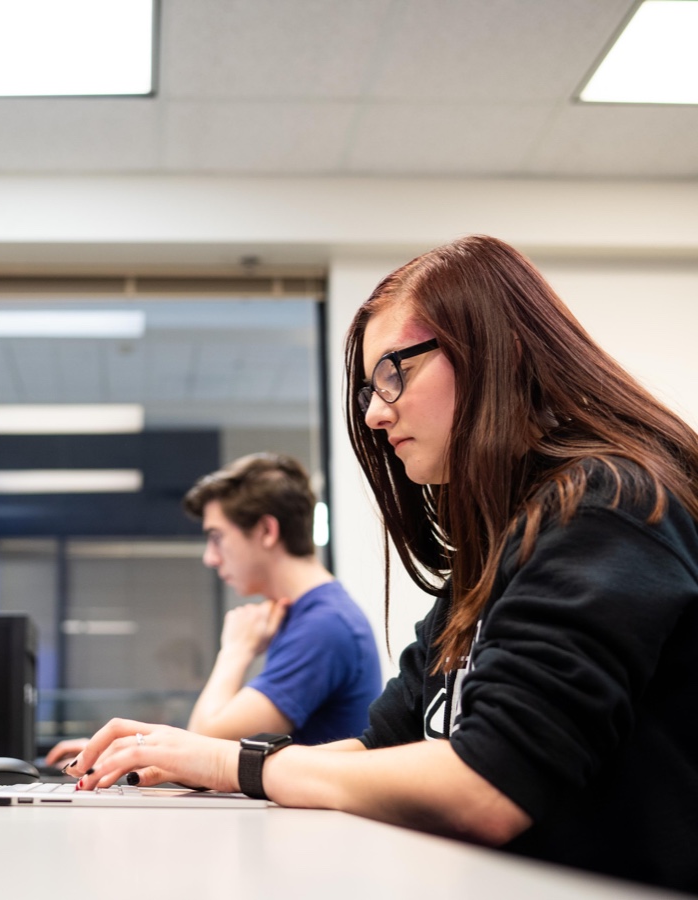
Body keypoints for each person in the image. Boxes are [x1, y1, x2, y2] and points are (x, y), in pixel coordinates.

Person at [65, 235, 698, 894]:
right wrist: (201, 758)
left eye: (396, 372)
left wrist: (233, 764)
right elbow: (386, 746)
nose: (373, 412)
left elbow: (489, 785)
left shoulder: (607, 504)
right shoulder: (495, 553)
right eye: (369, 387)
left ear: (495, 351)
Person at [44, 453, 380, 766]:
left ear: (266, 531)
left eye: (217, 537)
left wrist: (235, 650)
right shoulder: (308, 615)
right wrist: (126, 749)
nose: (210, 557)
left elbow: (205, 743)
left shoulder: (323, 626)